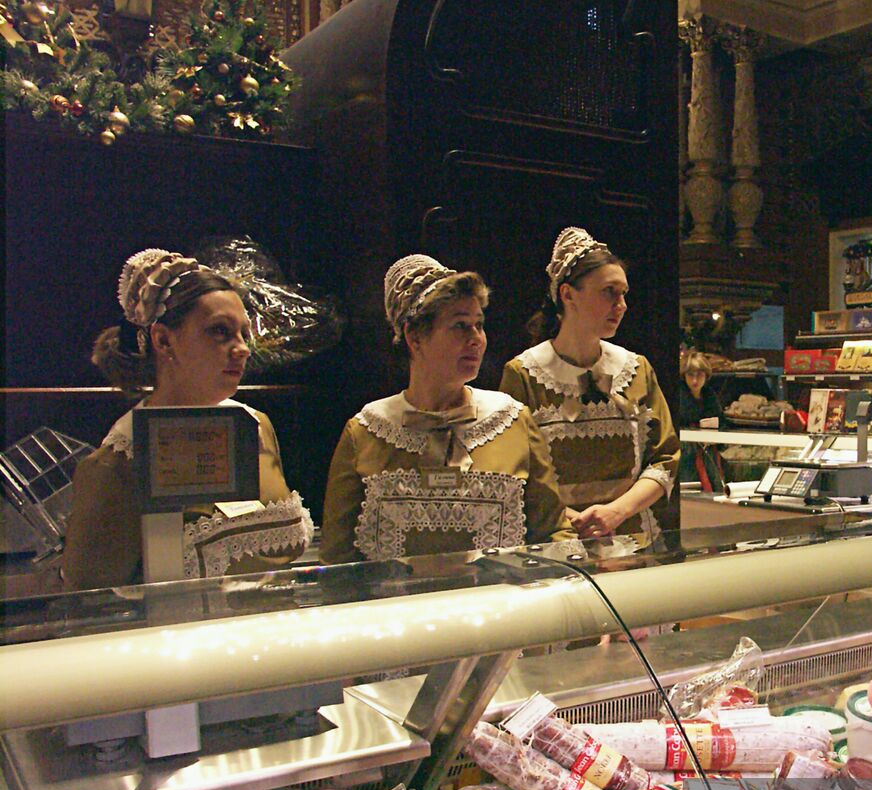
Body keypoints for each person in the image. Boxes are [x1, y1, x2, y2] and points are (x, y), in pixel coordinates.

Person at [62, 249, 313, 589]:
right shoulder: (119, 464)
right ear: (164, 340)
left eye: (243, 334)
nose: (242, 349)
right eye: (220, 332)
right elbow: (90, 603)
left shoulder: (255, 428)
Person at [321, 254, 574, 562]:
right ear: (414, 337)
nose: (476, 339)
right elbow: (337, 558)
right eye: (460, 326)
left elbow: (554, 534)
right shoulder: (366, 431)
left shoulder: (512, 421)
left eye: (478, 325)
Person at [500, 227, 679, 539]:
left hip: (632, 541)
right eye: (609, 292)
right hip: (556, 543)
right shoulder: (525, 374)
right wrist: (580, 522)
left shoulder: (636, 369)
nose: (621, 304)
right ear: (568, 294)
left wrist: (617, 511)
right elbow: (516, 473)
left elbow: (665, 457)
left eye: (624, 293)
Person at [679, 351, 725, 491]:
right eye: (690, 375)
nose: (695, 380)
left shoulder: (710, 396)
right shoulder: (679, 397)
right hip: (686, 454)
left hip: (709, 452)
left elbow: (722, 422)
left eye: (699, 375)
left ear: (706, 376)